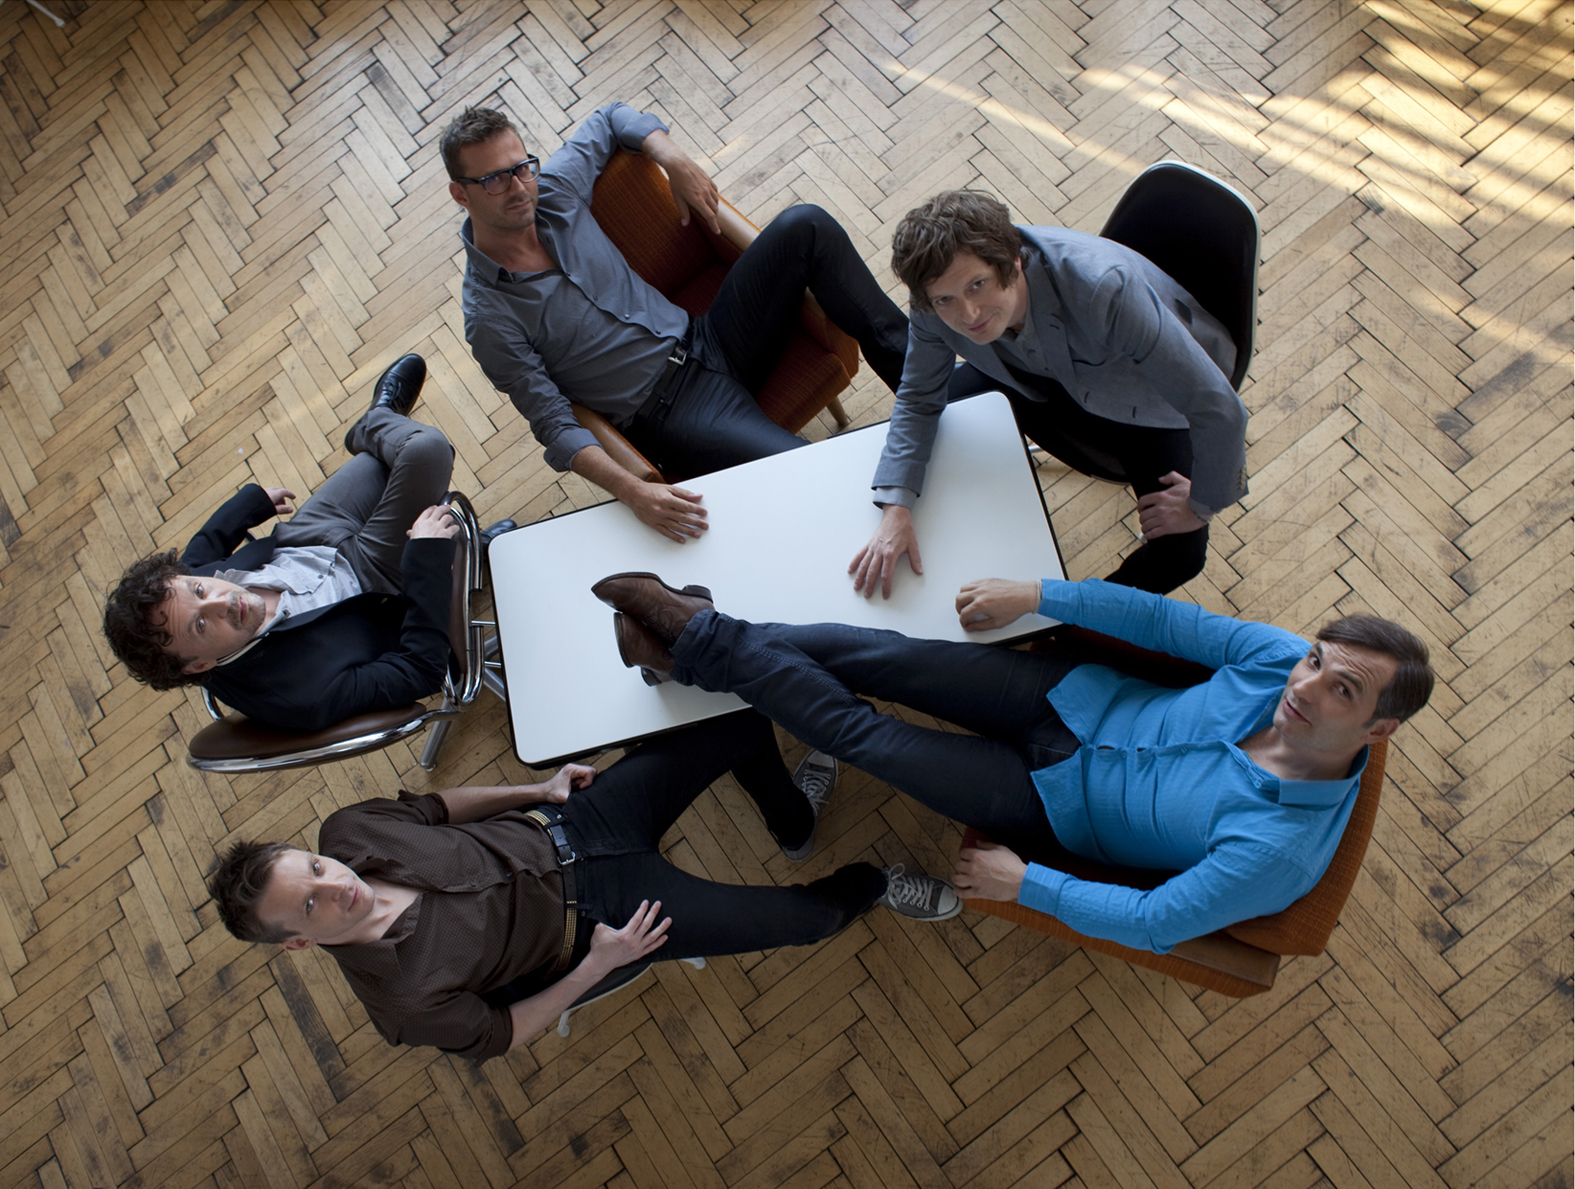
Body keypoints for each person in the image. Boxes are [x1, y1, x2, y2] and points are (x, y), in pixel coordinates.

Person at [591, 571, 1434, 954]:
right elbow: (1162, 623)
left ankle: (691, 633)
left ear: (1379, 729)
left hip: (1047, 803)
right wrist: (1039, 595)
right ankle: (693, 642)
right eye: (1314, 659)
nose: (1303, 684)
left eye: (1341, 688)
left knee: (864, 736)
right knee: (881, 654)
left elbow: (1157, 921)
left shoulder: (1277, 852)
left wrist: (1031, 884)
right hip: (1067, 695)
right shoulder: (1280, 661)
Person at [207, 711, 961, 1061]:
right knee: (807, 921)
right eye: (310, 905)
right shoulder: (401, 1005)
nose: (335, 884)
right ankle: (873, 884)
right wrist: (598, 965)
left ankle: (793, 819)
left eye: (314, 868)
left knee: (731, 723)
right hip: (608, 919)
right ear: (299, 942)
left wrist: (534, 789)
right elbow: (502, 1033)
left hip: (577, 821)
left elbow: (438, 808)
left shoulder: (349, 831)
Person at [445, 102, 909, 543]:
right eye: (495, 179)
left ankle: (926, 391)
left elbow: (609, 117)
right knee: (815, 476)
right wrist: (631, 491)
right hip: (672, 413)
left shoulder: (555, 190)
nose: (519, 187)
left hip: (708, 336)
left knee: (805, 226)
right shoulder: (489, 317)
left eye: (522, 167)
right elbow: (554, 423)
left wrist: (673, 159)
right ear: (460, 194)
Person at [850, 190, 1250, 599]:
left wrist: (1200, 504)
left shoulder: (1103, 288)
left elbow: (1219, 409)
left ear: (1013, 261)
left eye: (978, 285)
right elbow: (919, 397)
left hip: (1145, 397)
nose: (968, 315)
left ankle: (1072, 621)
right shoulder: (933, 301)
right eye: (946, 300)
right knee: (932, 437)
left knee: (1181, 554)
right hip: (1027, 378)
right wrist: (896, 507)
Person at [103, 355, 509, 733]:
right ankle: (461, 547)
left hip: (309, 537)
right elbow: (420, 671)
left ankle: (378, 425)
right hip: (377, 582)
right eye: (202, 624)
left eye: (199, 590)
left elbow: (200, 552)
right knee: (426, 450)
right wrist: (427, 560)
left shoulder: (182, 592)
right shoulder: (298, 697)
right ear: (198, 666)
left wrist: (251, 504)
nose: (222, 600)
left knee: (404, 457)